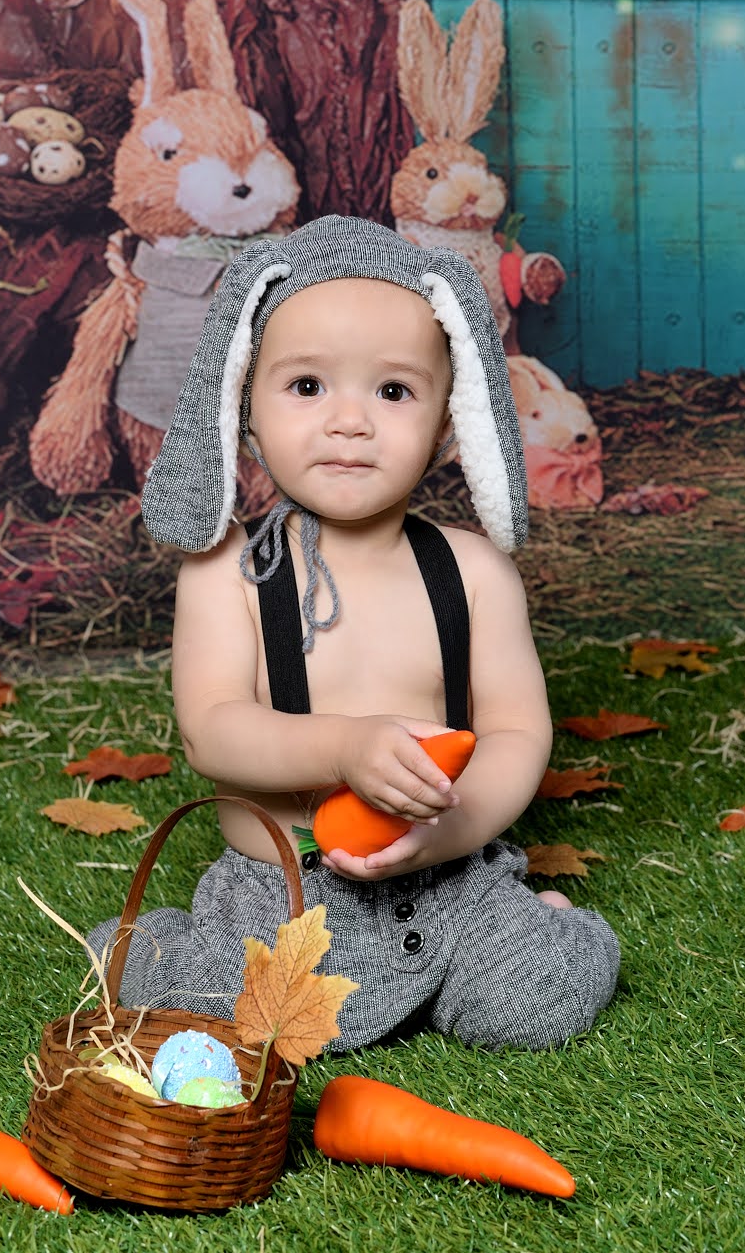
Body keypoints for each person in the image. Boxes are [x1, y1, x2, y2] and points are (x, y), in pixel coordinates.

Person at [88, 213, 620, 1051]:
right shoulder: (230, 570)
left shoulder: (473, 571)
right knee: (172, 994)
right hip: (281, 891)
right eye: (307, 386)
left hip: (448, 880)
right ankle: (168, 944)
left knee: (530, 1007)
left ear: (447, 421)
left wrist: (448, 833)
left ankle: (547, 923)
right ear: (245, 407)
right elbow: (212, 730)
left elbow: (517, 731)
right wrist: (342, 749)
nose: (349, 422)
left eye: (392, 392)